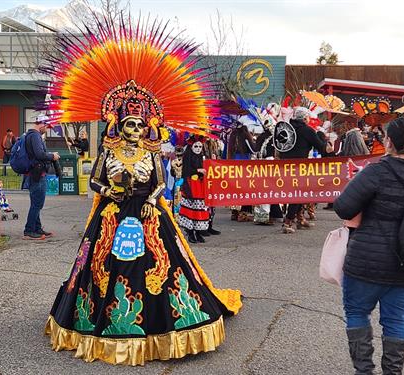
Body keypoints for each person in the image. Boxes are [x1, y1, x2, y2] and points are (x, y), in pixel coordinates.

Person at [43, 16, 242, 365]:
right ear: (119, 124)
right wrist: (111, 191)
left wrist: (151, 200)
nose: (134, 128)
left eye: (138, 123)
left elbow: (163, 183)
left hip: (149, 213)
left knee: (164, 266)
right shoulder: (108, 151)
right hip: (113, 213)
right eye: (128, 123)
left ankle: (166, 326)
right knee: (103, 267)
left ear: (146, 125)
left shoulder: (152, 153)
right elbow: (94, 182)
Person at [334, 117, 404, 375]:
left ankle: (364, 371)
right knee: (397, 319)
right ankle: (393, 371)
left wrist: (359, 185)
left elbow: (344, 207)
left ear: (388, 141)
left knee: (357, 313)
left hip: (365, 264)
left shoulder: (376, 171)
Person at [279, 108, 333, 233]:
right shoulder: (307, 130)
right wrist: (327, 146)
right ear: (304, 119)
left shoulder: (286, 128)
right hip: (300, 167)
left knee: (296, 193)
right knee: (299, 193)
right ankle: (288, 221)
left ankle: (300, 218)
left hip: (284, 166)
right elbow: (320, 147)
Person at [22, 116, 60, 240]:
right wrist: (52, 156)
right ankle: (29, 230)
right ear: (41, 124)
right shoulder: (35, 136)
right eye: (47, 126)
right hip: (37, 174)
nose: (47, 129)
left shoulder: (31, 135)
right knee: (37, 203)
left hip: (35, 173)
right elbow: (39, 154)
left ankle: (37, 228)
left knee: (36, 203)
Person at [178, 137, 211, 243]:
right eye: (195, 146)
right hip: (191, 185)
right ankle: (190, 232)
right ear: (191, 147)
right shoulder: (187, 156)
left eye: (200, 146)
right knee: (191, 210)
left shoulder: (203, 157)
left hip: (200, 186)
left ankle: (198, 232)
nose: (198, 148)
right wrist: (197, 170)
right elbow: (185, 171)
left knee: (200, 209)